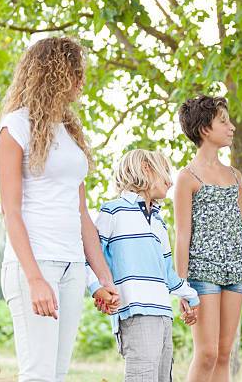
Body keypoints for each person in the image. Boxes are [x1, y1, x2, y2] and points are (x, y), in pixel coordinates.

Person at [0, 37, 119, 382]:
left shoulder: (69, 132)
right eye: (76, 73)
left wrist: (103, 279)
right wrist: (34, 278)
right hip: (35, 264)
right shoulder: (15, 127)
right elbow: (11, 211)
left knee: (58, 374)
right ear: (54, 74)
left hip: (72, 266)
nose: (82, 81)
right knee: (38, 375)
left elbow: (82, 215)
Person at [86, 149, 200, 381]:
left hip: (163, 312)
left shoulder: (159, 221)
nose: (170, 181)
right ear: (146, 169)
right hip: (135, 310)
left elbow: (168, 273)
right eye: (165, 173)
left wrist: (191, 296)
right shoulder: (113, 210)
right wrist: (95, 287)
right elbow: (90, 254)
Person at [175, 95, 242, 382]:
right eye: (223, 121)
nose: (231, 127)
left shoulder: (235, 175)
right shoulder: (187, 177)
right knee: (206, 353)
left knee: (224, 354)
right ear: (205, 129)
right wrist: (181, 286)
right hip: (202, 274)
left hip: (235, 273)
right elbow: (182, 234)